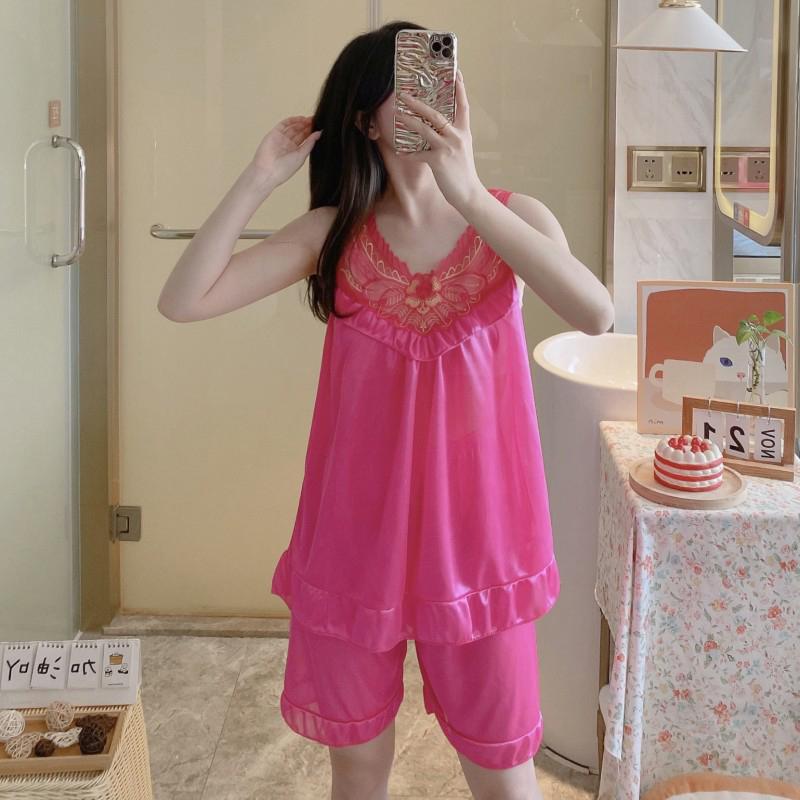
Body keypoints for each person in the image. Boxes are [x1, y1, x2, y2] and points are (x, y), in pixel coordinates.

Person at [157, 19, 614, 800]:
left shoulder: (514, 218)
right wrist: (258, 178)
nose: (431, 101)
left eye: (440, 80)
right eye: (406, 89)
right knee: (359, 770)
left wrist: (468, 192)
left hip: (479, 543)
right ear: (367, 120)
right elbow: (183, 300)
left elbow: (595, 313)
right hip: (355, 540)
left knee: (503, 773)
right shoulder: (334, 233)